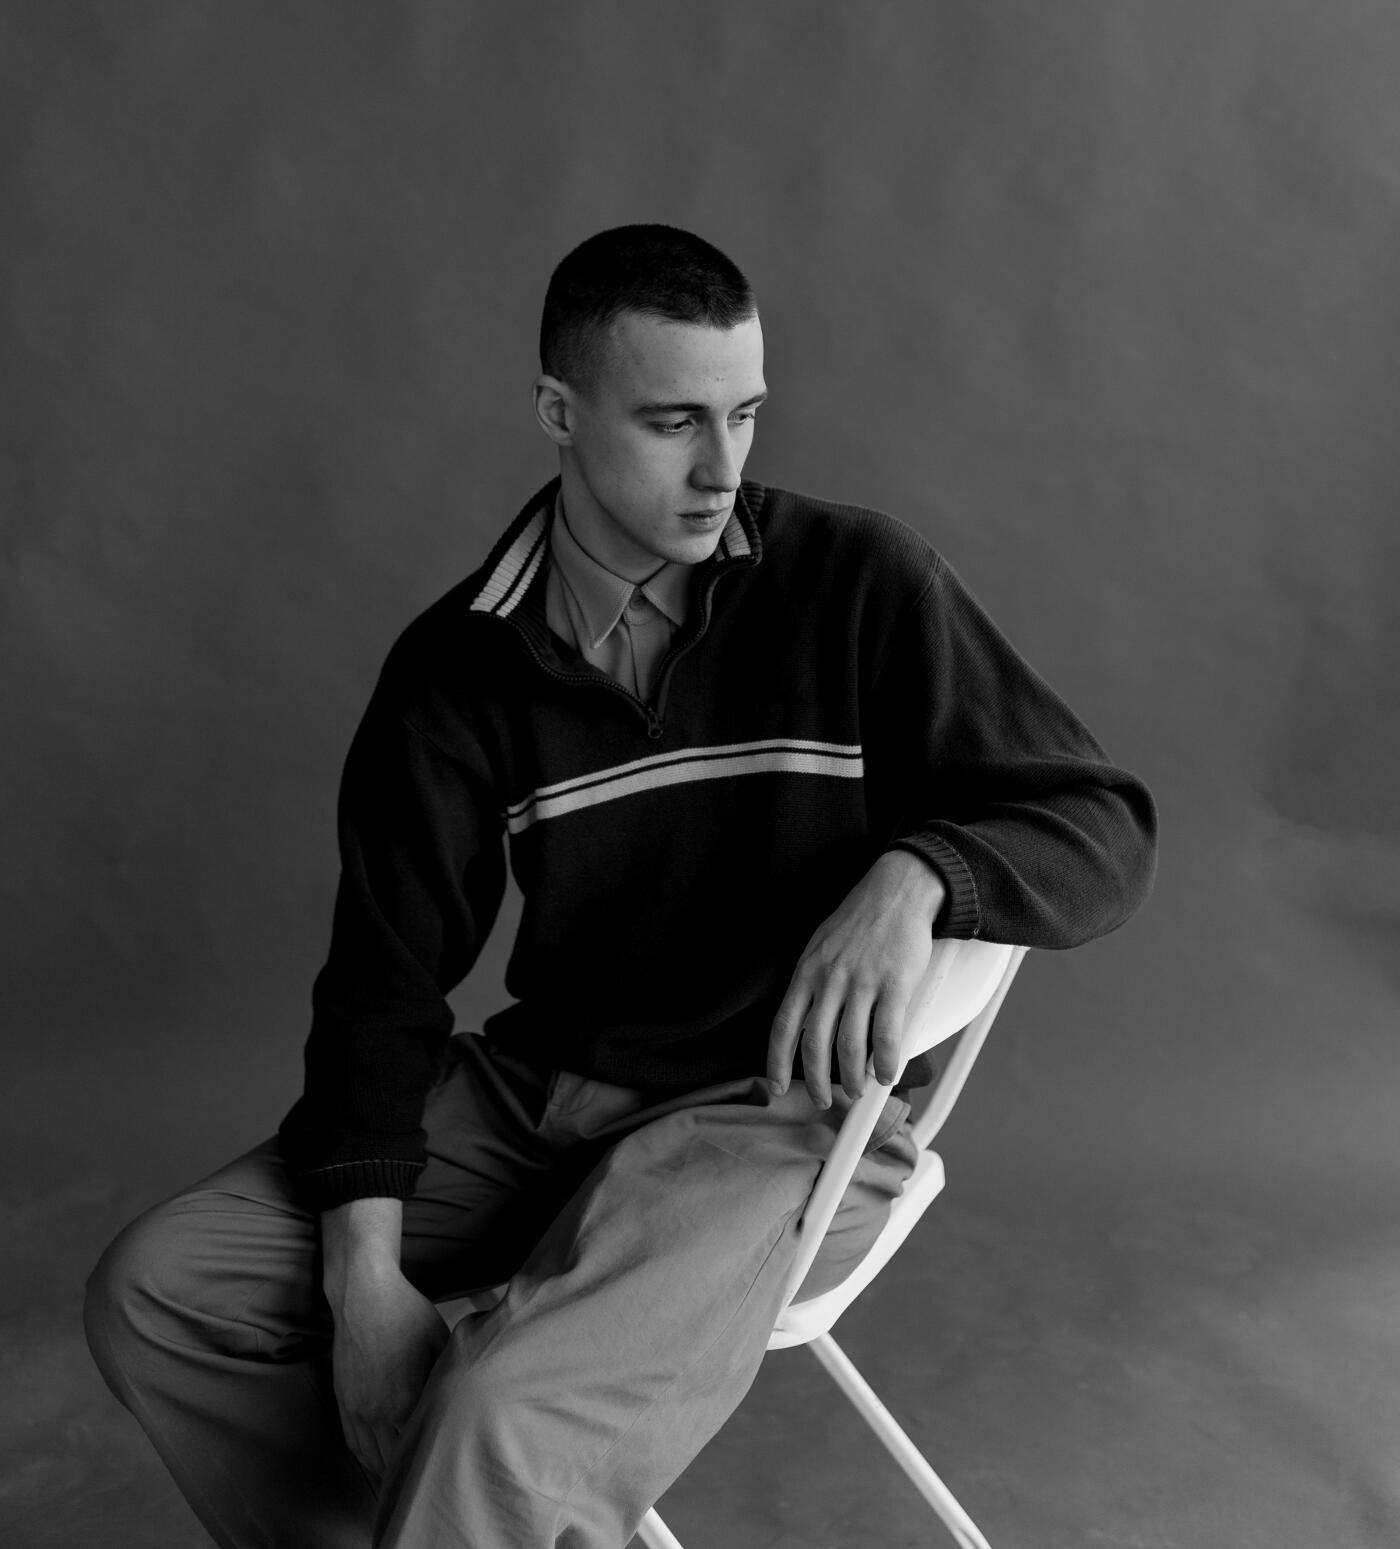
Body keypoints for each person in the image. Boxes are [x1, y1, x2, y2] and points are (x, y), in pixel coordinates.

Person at [85, 224, 1157, 1548]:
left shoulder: (857, 582)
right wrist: (364, 1275)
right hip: (547, 1099)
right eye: (673, 423)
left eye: (748, 415)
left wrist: (915, 869)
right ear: (558, 410)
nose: (724, 468)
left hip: (776, 1125)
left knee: (502, 1410)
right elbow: (383, 980)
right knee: (160, 1285)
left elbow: (1102, 820)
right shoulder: (458, 667)